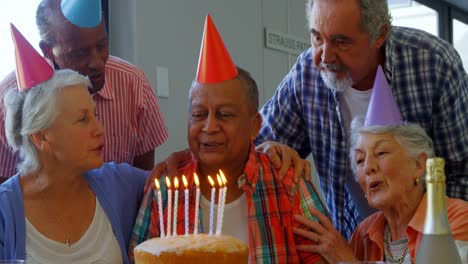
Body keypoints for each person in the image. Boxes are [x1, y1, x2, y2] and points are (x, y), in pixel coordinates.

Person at [255, 0, 468, 239]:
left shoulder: (434, 64)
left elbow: (461, 173)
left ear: (380, 34)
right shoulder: (306, 75)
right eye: (317, 38)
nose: (324, 57)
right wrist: (272, 151)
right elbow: (256, 148)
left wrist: (433, 244)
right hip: (354, 243)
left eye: (341, 42)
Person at [129, 15, 327, 263]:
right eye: (199, 115)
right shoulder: (167, 191)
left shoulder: (288, 182)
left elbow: (325, 257)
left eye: (224, 115)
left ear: (255, 126)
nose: (209, 127)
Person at [291, 67, 468, 263]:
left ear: (419, 164)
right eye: (359, 160)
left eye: (381, 153)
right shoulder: (364, 233)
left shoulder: (457, 217)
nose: (368, 168)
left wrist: (347, 260)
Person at [0, 0, 168, 182]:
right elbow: (5, 188)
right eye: (80, 53)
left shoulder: (134, 85)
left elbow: (142, 182)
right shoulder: (10, 100)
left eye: (102, 45)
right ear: (48, 51)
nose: (96, 63)